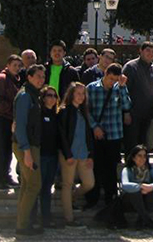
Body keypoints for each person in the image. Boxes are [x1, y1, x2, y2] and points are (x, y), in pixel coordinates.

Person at [86, 63, 132, 207]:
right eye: (110, 79)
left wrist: (123, 87)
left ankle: (110, 199)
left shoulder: (119, 88)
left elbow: (127, 106)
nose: (112, 82)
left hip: (114, 134)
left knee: (111, 168)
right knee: (96, 167)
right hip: (97, 134)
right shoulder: (92, 88)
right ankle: (92, 199)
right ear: (105, 74)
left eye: (115, 80)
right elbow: (86, 111)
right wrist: (94, 127)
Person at [12, 64, 46, 237]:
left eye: (43, 76)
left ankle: (23, 222)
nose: (41, 79)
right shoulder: (26, 96)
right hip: (27, 146)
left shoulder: (33, 94)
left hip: (31, 145)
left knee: (27, 185)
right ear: (29, 77)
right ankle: (22, 225)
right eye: (38, 76)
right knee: (33, 184)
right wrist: (26, 152)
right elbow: (21, 126)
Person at [58, 82, 95, 228]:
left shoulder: (83, 111)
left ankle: (71, 199)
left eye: (83, 93)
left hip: (83, 154)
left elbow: (88, 134)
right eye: (78, 93)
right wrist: (68, 155)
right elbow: (61, 135)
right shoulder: (64, 111)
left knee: (89, 183)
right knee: (67, 184)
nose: (81, 96)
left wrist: (91, 154)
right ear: (72, 94)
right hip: (70, 155)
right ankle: (69, 218)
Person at [0, 54, 22, 191]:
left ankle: (5, 176)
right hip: (0, 118)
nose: (17, 68)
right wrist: (13, 109)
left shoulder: (14, 79)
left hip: (8, 119)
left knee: (7, 149)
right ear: (8, 65)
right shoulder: (2, 79)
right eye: (14, 65)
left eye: (19, 65)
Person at [122, 41, 153, 154]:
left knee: (144, 148)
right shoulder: (131, 67)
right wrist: (126, 112)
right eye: (147, 50)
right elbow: (123, 91)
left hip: (148, 115)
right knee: (132, 147)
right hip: (133, 115)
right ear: (141, 51)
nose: (150, 54)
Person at [119, 145, 153, 230]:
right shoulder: (127, 170)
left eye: (144, 156)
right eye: (139, 156)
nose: (142, 158)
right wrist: (140, 186)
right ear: (133, 158)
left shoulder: (151, 169)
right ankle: (147, 220)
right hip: (130, 200)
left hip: (145, 198)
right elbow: (125, 184)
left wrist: (151, 186)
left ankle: (141, 220)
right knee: (135, 193)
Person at [36, 86, 61, 228]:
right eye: (49, 95)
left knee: (47, 188)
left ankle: (46, 217)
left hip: (53, 155)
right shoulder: (39, 113)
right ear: (43, 97)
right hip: (41, 155)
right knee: (38, 187)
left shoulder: (56, 114)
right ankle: (33, 217)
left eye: (54, 96)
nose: (52, 98)